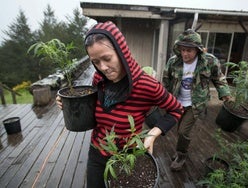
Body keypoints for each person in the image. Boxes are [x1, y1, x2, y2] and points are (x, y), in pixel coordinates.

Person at [56, 21, 184, 188]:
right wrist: (70, 105)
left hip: (126, 158)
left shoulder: (147, 85)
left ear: (122, 51)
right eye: (95, 62)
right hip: (97, 151)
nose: (103, 68)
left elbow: (176, 109)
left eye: (107, 58)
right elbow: (96, 111)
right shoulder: (98, 79)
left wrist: (152, 135)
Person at [162, 29, 231, 171]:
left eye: (189, 50)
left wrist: (225, 94)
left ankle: (181, 155)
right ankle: (180, 149)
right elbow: (166, 81)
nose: (185, 54)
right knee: (180, 130)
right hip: (176, 103)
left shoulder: (209, 61)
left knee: (183, 132)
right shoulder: (173, 62)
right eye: (182, 50)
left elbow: (219, 78)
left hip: (196, 103)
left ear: (198, 50)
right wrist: (162, 99)